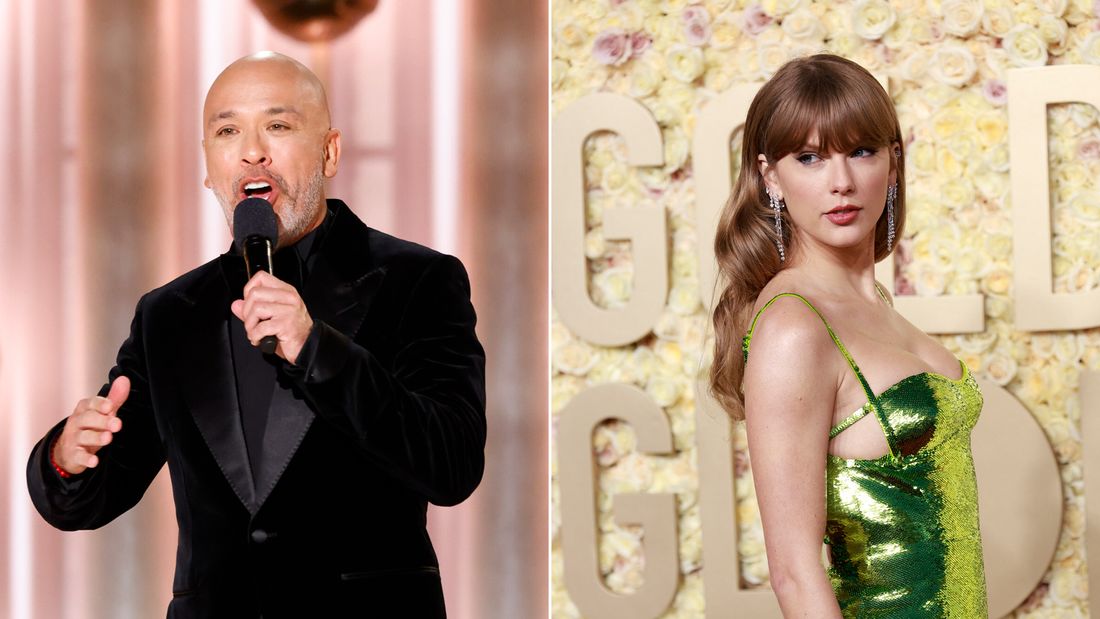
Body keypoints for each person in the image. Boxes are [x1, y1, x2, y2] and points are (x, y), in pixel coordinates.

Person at [26, 52, 486, 618]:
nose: (252, 150)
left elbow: (453, 464)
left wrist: (319, 350)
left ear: (330, 150)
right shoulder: (167, 315)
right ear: (208, 165)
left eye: (278, 124)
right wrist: (67, 459)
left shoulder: (417, 279)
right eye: (227, 130)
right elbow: (96, 496)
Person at [709, 54, 987, 616]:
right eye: (809, 158)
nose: (841, 183)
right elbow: (793, 572)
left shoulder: (877, 306)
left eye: (860, 151)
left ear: (893, 161)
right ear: (771, 177)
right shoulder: (793, 325)